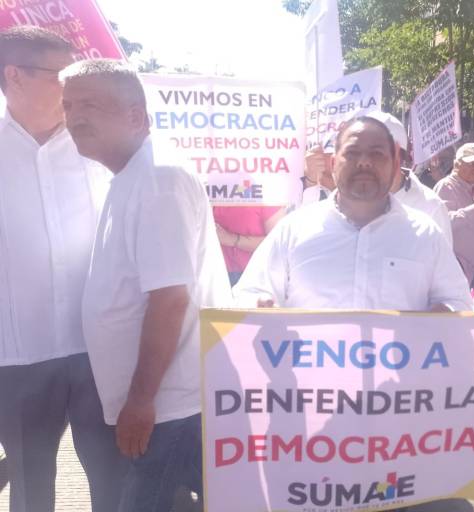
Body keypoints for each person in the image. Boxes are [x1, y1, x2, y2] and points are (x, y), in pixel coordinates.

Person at [61, 59, 230, 511]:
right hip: (165, 405)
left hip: (170, 406)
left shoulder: (158, 178)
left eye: (90, 105)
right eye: (69, 105)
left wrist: (139, 401)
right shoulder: (130, 174)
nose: (74, 117)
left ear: (136, 116)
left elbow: (170, 300)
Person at [0, 27, 126, 512]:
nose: (75, 90)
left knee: (112, 481)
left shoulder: (96, 145)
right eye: (62, 77)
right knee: (31, 489)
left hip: (97, 349)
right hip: (17, 356)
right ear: (15, 77)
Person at [234, 116, 472, 312]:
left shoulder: (426, 234)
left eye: (377, 154)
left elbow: (459, 303)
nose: (365, 162)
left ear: (395, 163)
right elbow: (249, 293)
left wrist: (447, 313)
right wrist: (258, 308)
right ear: (333, 162)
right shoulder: (293, 230)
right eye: (353, 153)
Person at [367, 110, 452, 244]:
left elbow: (442, 263)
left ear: (397, 156)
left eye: (375, 153)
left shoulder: (430, 206)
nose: (363, 161)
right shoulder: (344, 205)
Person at [434, 143, 474, 287]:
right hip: (453, 269)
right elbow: (443, 223)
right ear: (457, 164)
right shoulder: (446, 186)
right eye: (472, 164)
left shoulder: (471, 189)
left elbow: (466, 225)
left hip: (465, 271)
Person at [214, 206, 285, 286]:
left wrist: (232, 239)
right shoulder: (209, 197)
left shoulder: (266, 199)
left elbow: (278, 244)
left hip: (256, 274)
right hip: (216, 273)